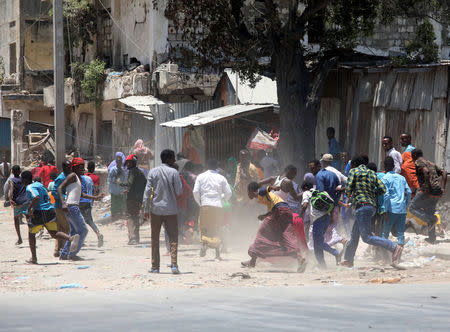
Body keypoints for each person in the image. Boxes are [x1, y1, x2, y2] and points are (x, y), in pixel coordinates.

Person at [340, 156, 404, 268]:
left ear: (354, 164)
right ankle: (348, 260)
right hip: (371, 207)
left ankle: (394, 247)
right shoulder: (372, 173)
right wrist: (370, 192)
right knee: (354, 235)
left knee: (367, 237)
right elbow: (383, 189)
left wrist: (349, 194)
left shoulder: (353, 171)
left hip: (362, 207)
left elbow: (348, 190)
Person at [242, 182, 306, 272]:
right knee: (287, 236)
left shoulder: (260, 192)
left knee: (262, 233)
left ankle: (253, 261)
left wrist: (273, 187)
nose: (248, 194)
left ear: (251, 191)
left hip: (279, 212)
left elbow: (266, 189)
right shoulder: (265, 197)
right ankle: (300, 258)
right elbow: (275, 207)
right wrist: (264, 216)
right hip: (286, 211)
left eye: (248, 192)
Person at [21, 171, 79, 264]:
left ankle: (34, 258)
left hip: (40, 212)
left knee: (31, 235)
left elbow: (36, 197)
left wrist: (30, 208)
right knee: (54, 233)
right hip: (50, 210)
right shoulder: (39, 184)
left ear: (24, 180)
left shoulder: (29, 187)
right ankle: (71, 238)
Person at [143, 149, 183, 274]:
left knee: (155, 238)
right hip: (171, 209)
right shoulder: (174, 172)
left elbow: (147, 191)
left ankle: (155, 267)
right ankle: (174, 265)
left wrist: (145, 209)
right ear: (169, 159)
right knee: (173, 237)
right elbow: (179, 191)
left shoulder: (153, 171)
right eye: (173, 158)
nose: (175, 160)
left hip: (156, 209)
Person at [58, 158, 103, 260]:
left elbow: (81, 194)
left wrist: (96, 197)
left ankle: (64, 254)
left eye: (83, 166)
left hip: (71, 207)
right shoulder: (73, 176)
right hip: (71, 206)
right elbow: (60, 188)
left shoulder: (78, 178)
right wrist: (63, 203)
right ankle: (72, 255)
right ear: (74, 167)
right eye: (79, 167)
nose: (82, 169)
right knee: (83, 231)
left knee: (74, 232)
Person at [193, 159, 232, 260]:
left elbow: (195, 192)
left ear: (206, 166)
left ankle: (204, 245)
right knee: (217, 228)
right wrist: (222, 198)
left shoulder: (200, 176)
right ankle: (217, 254)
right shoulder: (221, 177)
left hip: (205, 204)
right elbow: (229, 193)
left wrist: (199, 202)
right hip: (218, 206)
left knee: (204, 228)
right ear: (216, 167)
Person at [408, 149, 447, 244]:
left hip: (427, 191)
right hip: (437, 191)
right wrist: (443, 188)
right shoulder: (431, 163)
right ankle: (432, 238)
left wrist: (427, 187)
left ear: (414, 156)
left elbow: (425, 171)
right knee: (429, 211)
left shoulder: (418, 162)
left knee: (412, 207)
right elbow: (444, 172)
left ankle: (431, 220)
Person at [300, 182, 341, 268]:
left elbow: (305, 205)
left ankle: (333, 255)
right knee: (318, 243)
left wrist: (300, 216)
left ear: (305, 188)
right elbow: (332, 203)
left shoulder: (306, 193)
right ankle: (323, 264)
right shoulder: (321, 192)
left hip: (317, 220)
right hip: (326, 218)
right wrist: (331, 218)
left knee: (317, 244)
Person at [381, 157, 411, 246]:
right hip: (402, 209)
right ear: (394, 166)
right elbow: (409, 192)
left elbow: (386, 195)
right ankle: (398, 256)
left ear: (384, 166)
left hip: (391, 209)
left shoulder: (384, 178)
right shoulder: (402, 178)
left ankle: (383, 254)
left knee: (385, 233)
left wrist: (385, 210)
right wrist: (406, 205)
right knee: (401, 234)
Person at [123, 154, 147, 245]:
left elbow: (129, 183)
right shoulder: (140, 172)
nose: (127, 165)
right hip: (138, 199)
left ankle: (132, 237)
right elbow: (144, 183)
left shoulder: (132, 172)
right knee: (136, 217)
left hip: (131, 199)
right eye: (127, 163)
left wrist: (119, 183)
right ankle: (136, 238)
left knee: (130, 217)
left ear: (133, 163)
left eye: (129, 163)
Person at [51, 161, 72, 257]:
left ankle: (57, 250)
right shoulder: (61, 178)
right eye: (67, 167)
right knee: (66, 228)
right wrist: (65, 197)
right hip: (60, 206)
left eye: (69, 166)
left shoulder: (70, 177)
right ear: (63, 168)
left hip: (63, 206)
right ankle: (62, 250)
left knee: (60, 229)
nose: (69, 168)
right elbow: (55, 192)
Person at [80, 172, 104, 247]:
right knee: (89, 220)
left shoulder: (77, 178)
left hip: (80, 201)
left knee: (79, 221)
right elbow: (94, 190)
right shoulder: (89, 179)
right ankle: (98, 233)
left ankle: (81, 240)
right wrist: (93, 199)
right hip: (88, 201)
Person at [9, 165, 29, 245]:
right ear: (20, 171)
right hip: (26, 201)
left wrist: (10, 199)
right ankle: (31, 235)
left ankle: (20, 238)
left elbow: (11, 189)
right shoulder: (23, 179)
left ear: (12, 172)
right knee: (28, 219)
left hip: (17, 202)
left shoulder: (12, 180)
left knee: (16, 219)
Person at [108, 152, 127, 221]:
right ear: (116, 162)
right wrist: (116, 177)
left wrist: (125, 186)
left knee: (122, 203)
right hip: (114, 190)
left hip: (121, 189)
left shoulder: (122, 169)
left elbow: (123, 179)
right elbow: (110, 179)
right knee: (114, 203)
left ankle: (121, 216)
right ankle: (113, 217)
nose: (119, 163)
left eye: (120, 162)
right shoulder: (113, 169)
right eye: (118, 162)